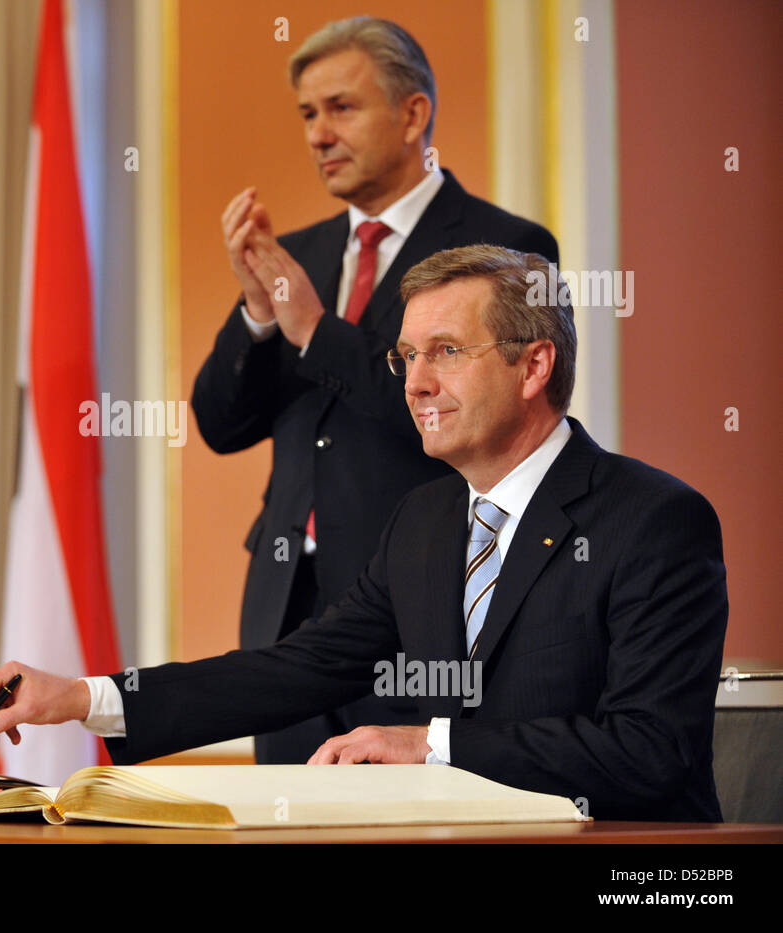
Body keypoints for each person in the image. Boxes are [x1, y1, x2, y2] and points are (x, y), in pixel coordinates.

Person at [0, 245, 729, 822]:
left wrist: (430, 743)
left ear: (533, 367)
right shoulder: (423, 522)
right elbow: (297, 668)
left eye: (446, 352)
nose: (416, 382)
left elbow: (650, 750)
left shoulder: (654, 520)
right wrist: (83, 695)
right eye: (407, 356)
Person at [194, 16, 559, 763]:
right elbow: (221, 426)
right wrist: (259, 316)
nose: (319, 134)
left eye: (341, 108)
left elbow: (478, 419)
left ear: (413, 114)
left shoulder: (507, 248)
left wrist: (315, 330)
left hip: (422, 606)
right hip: (287, 609)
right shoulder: (298, 256)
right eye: (308, 113)